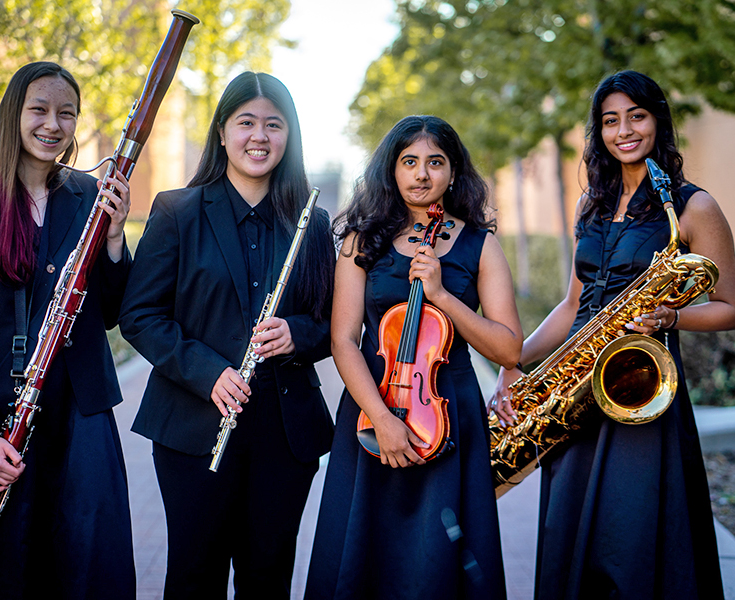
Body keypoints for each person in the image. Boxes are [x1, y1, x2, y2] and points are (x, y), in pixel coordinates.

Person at [490, 70, 735, 599]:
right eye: (609, 120)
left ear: (659, 121)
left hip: (638, 384)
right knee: (571, 529)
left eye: (637, 116)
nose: (623, 130)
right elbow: (575, 304)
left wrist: (672, 318)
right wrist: (514, 360)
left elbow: (730, 307)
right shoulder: (592, 205)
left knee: (631, 536)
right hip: (574, 387)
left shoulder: (694, 207)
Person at [118, 71, 335, 599]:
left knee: (269, 578)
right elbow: (140, 315)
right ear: (221, 132)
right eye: (246, 123)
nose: (259, 136)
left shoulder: (313, 221)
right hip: (193, 427)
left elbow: (335, 325)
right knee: (195, 576)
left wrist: (298, 334)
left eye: (274, 125)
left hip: (285, 434)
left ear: (289, 136)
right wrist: (208, 371)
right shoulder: (177, 211)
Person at [0, 62, 136, 598]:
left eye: (66, 113)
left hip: (81, 417)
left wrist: (115, 238)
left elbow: (114, 312)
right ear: (13, 115)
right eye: (39, 110)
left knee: (82, 566)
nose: (53, 124)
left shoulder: (93, 196)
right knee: (1, 572)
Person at [304, 115, 521, 599]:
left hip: (451, 418)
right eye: (410, 162)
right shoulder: (362, 240)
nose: (422, 174)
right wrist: (380, 418)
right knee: (365, 552)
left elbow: (508, 347)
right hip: (373, 407)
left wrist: (442, 296)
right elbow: (343, 340)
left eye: (435, 162)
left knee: (439, 560)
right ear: (392, 170)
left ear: (453, 172)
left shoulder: (479, 245)